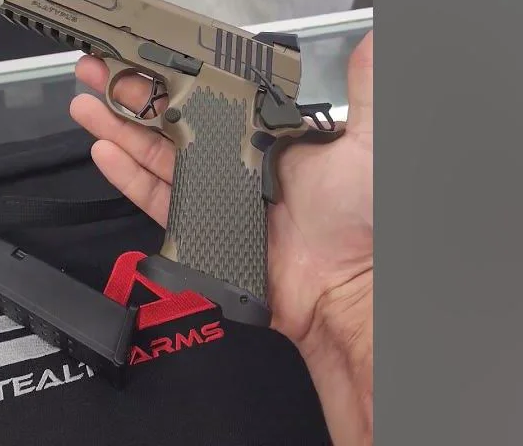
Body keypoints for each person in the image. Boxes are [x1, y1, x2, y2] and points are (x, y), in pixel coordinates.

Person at [68, 31, 375, 445]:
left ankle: (215, 270)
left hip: (228, 88)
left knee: (214, 124)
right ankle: (219, 272)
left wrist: (353, 296)